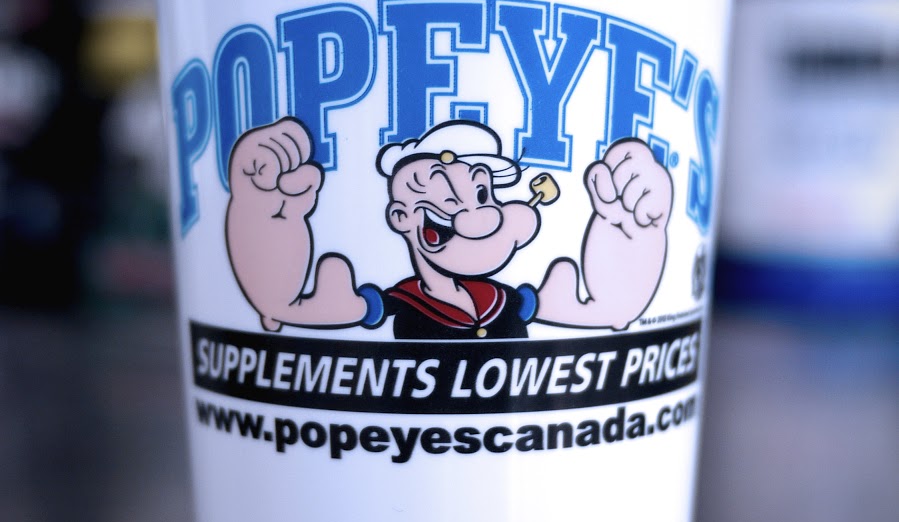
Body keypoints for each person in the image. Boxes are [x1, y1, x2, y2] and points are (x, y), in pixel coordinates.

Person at [225, 117, 673, 339]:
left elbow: (604, 315)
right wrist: (265, 233)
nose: (480, 217)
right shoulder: (399, 301)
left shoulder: (508, 302)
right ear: (402, 220)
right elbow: (298, 311)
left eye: (483, 194)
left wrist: (628, 250)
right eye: (446, 202)